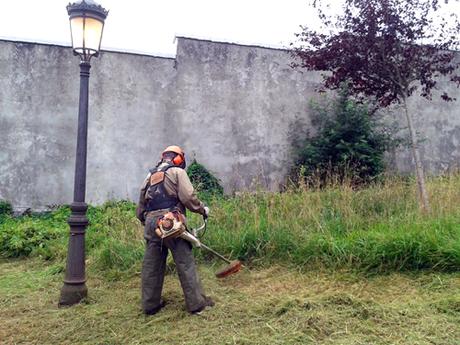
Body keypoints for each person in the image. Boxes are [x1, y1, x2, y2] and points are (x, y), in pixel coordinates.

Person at [136, 145, 213, 315]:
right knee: (185, 261)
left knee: (152, 264)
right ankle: (196, 303)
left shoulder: (150, 175)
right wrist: (201, 209)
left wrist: (145, 220)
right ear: (179, 159)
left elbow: (141, 204)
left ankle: (150, 305)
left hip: (151, 222)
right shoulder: (177, 172)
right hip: (171, 221)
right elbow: (188, 197)